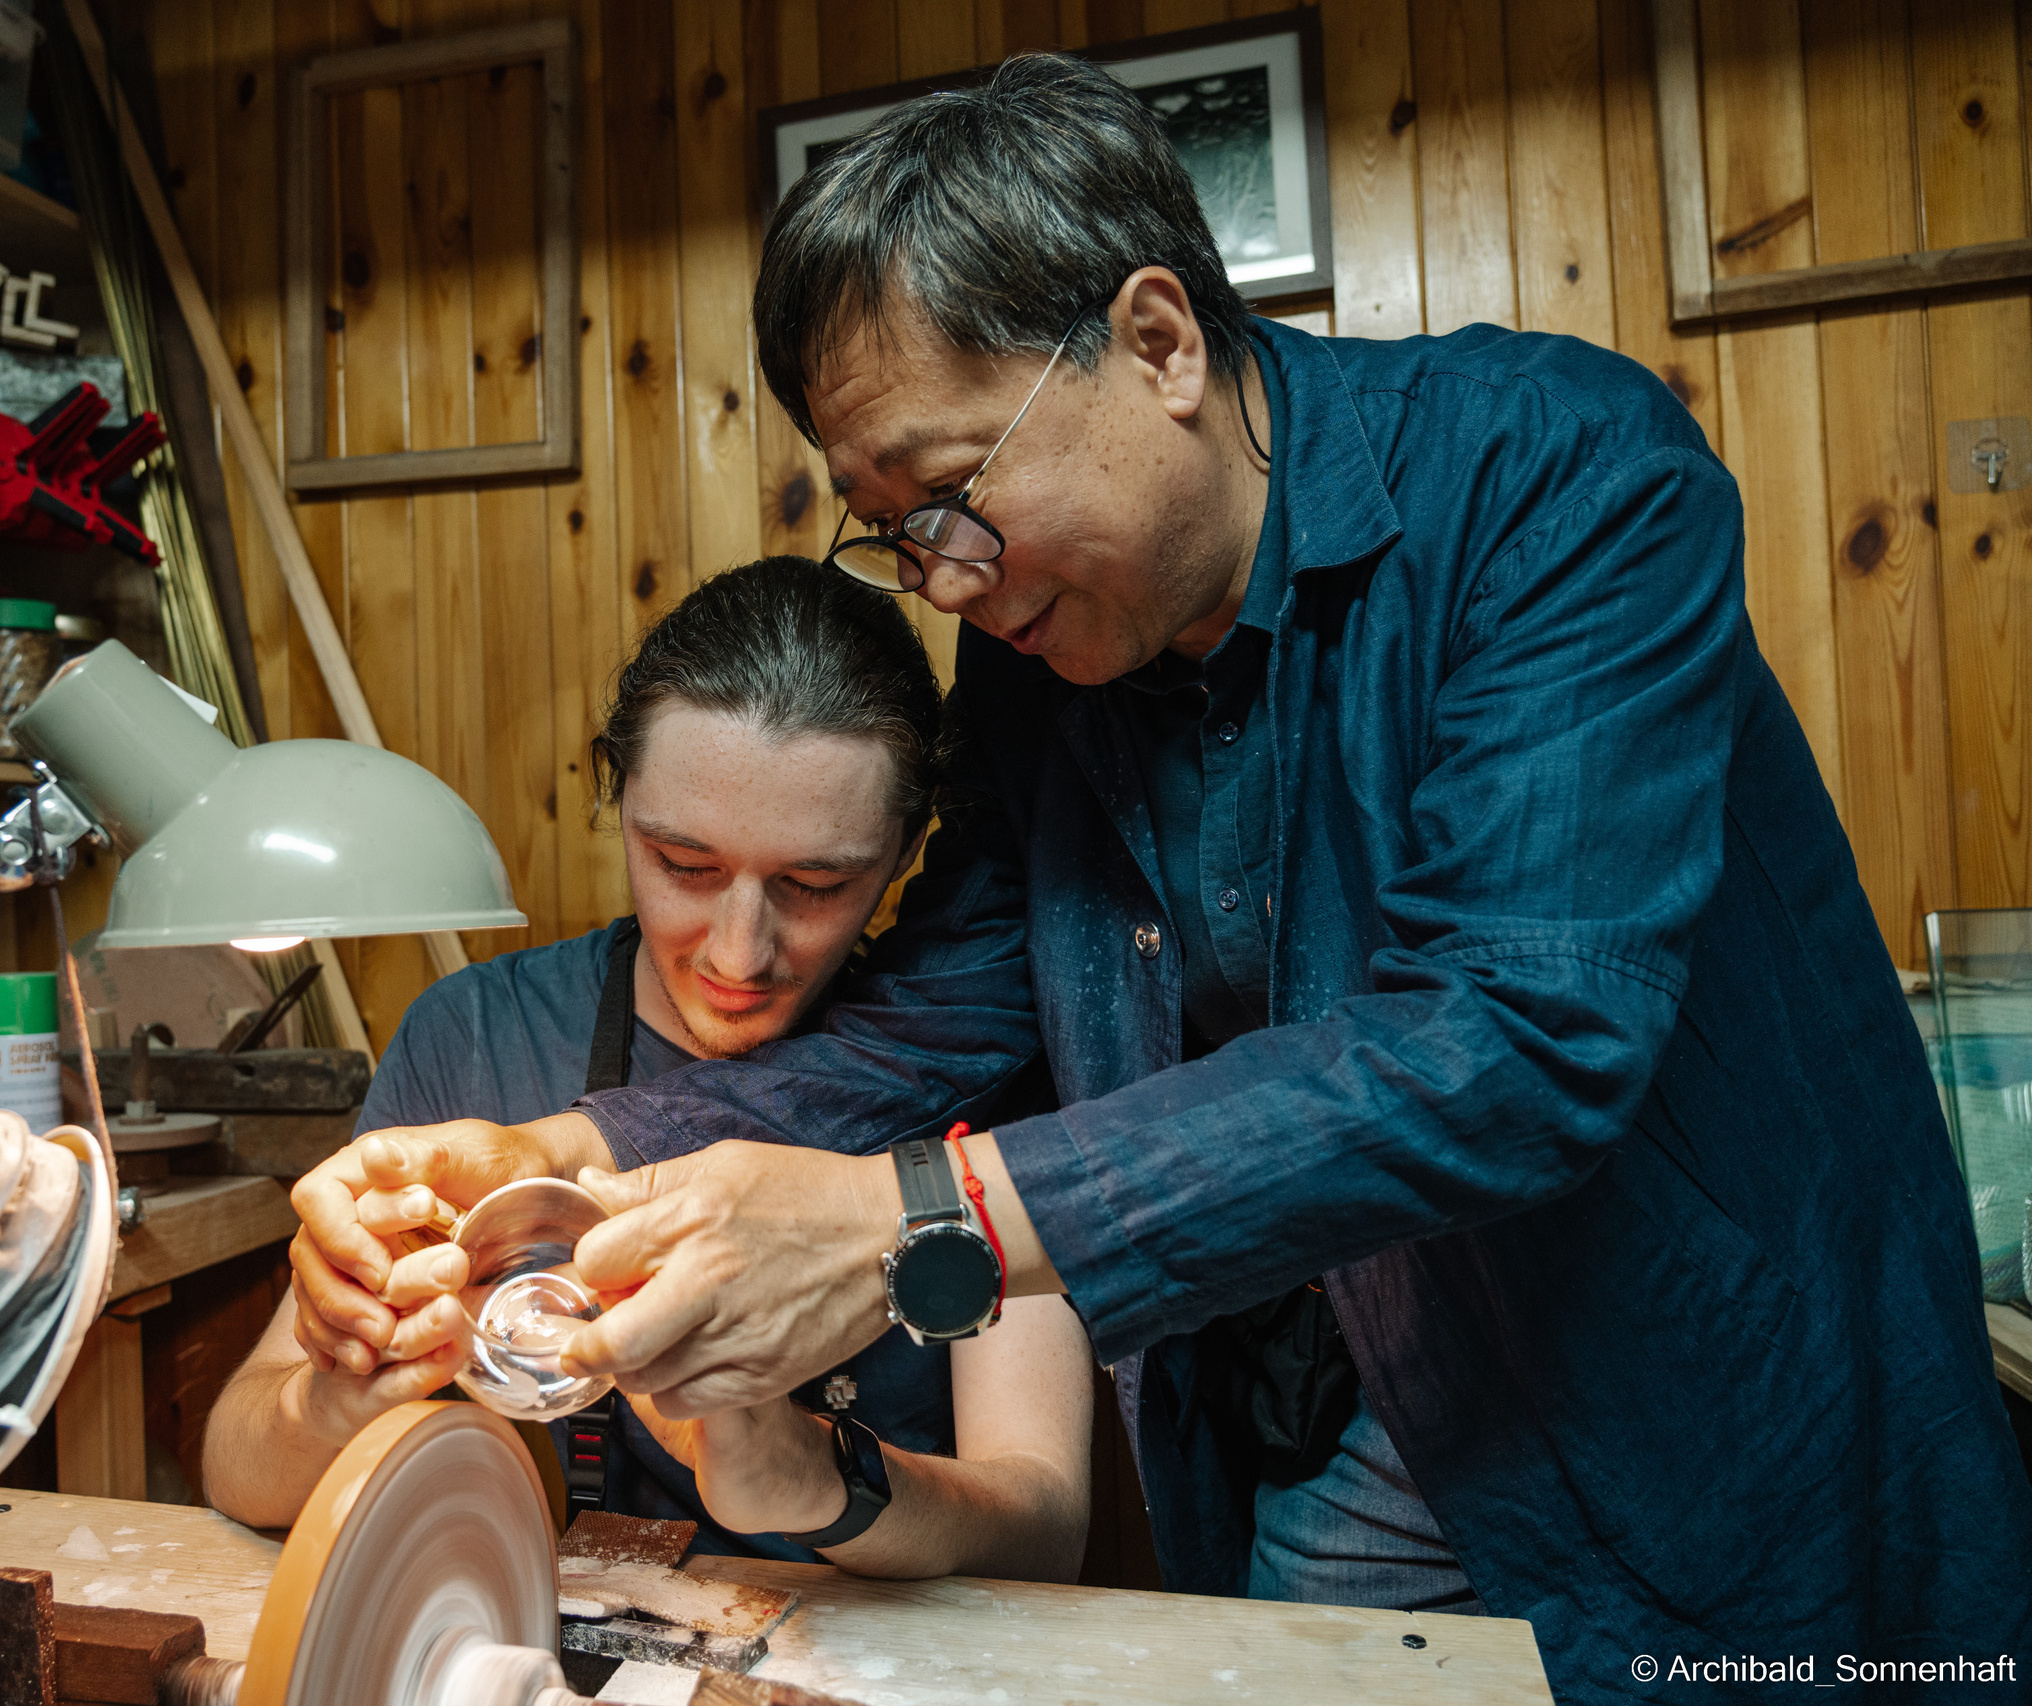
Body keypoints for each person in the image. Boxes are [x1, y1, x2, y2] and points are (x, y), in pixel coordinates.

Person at [299, 53, 2032, 1697]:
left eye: (954, 494)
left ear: (1156, 341)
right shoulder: (1046, 655)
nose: (948, 580)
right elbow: (952, 1015)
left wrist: (919, 1220)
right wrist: (558, 1149)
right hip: (1368, 1401)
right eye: (895, 531)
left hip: (1690, 1391)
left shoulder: (1561, 477)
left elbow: (1517, 1035)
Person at [204, 557, 1092, 1584]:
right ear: (612, 790)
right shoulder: (478, 1036)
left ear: (904, 851)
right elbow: (238, 1460)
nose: (737, 952)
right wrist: (338, 1389)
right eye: (686, 866)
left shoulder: (979, 1066)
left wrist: (810, 1473)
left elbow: (1044, 1521)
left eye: (815, 883)